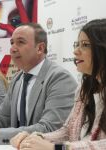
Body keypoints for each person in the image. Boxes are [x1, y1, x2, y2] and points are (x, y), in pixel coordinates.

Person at [0, 23, 77, 144]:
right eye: (12, 43)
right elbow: (2, 118)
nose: (13, 48)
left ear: (40, 48)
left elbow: (49, 129)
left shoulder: (59, 78)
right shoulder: (18, 78)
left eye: (20, 42)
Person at [10, 19, 106, 150]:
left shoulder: (59, 77)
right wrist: (35, 138)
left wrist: (56, 148)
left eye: (85, 45)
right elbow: (68, 131)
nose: (76, 51)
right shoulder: (84, 88)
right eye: (76, 44)